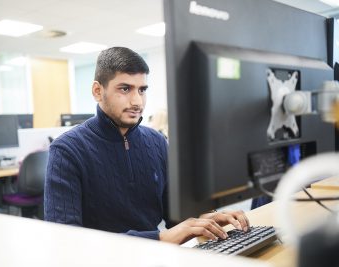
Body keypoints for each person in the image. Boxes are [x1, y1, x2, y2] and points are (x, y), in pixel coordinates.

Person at [44, 47, 250, 244]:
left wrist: (207, 219)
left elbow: (175, 217)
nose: (137, 102)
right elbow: (66, 242)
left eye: (142, 90)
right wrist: (159, 239)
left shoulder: (157, 142)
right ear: (98, 91)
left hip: (155, 256)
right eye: (125, 89)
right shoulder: (67, 151)